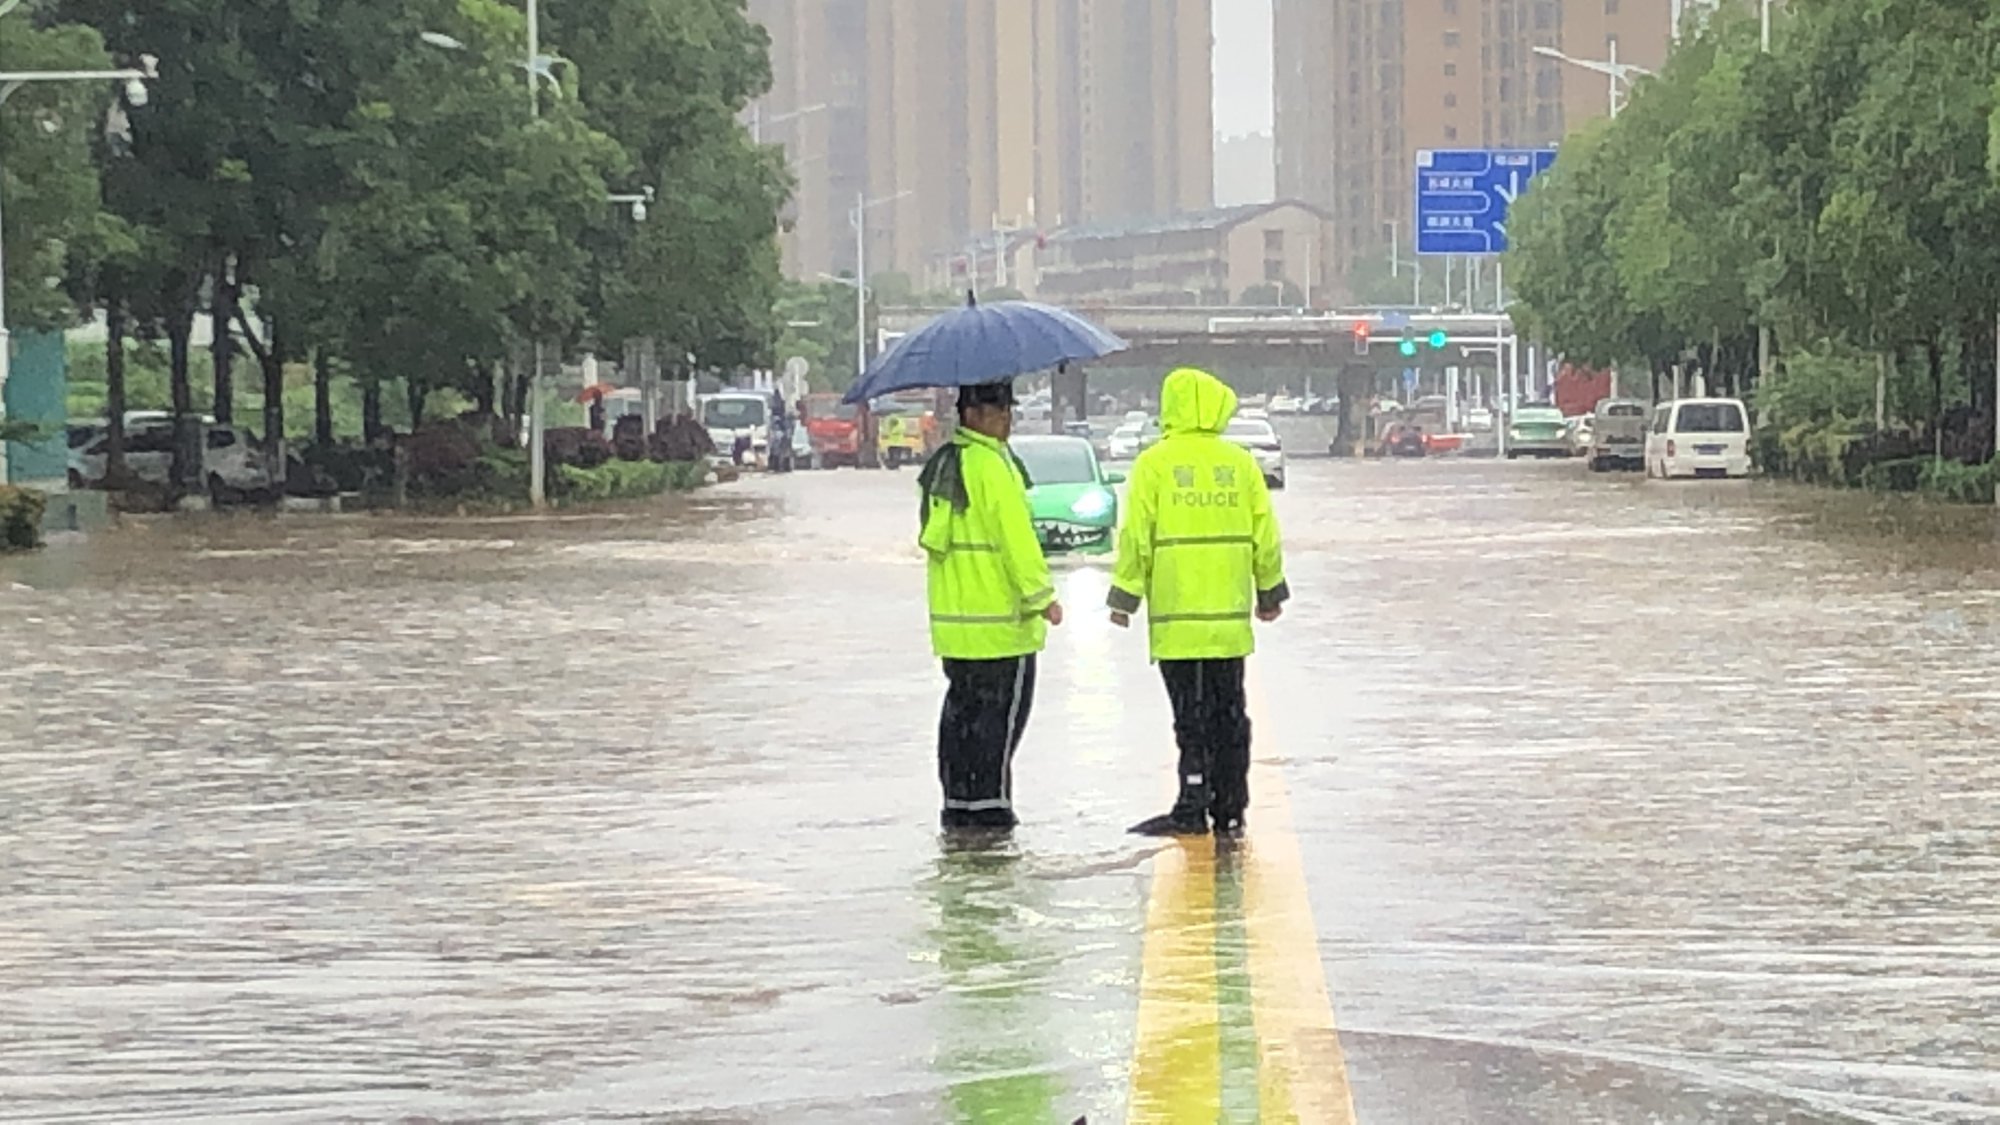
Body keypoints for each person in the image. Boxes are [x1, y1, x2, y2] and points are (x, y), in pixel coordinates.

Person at [1107, 367, 1289, 837]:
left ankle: (1192, 801)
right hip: (1228, 624)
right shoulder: (1240, 464)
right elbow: (1264, 536)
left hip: (1177, 623)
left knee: (1189, 717)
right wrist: (1269, 592)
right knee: (1230, 712)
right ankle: (1231, 806)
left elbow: (1135, 538)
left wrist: (1123, 598)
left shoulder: (1153, 464)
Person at [917, 380, 1064, 832]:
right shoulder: (992, 466)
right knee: (997, 729)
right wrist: (1043, 598)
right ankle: (991, 814)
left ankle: (959, 807)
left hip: (956, 628)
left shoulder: (945, 464)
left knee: (960, 719)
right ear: (973, 413)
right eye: (1001, 409)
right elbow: (1016, 540)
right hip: (1001, 626)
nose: (1008, 418)